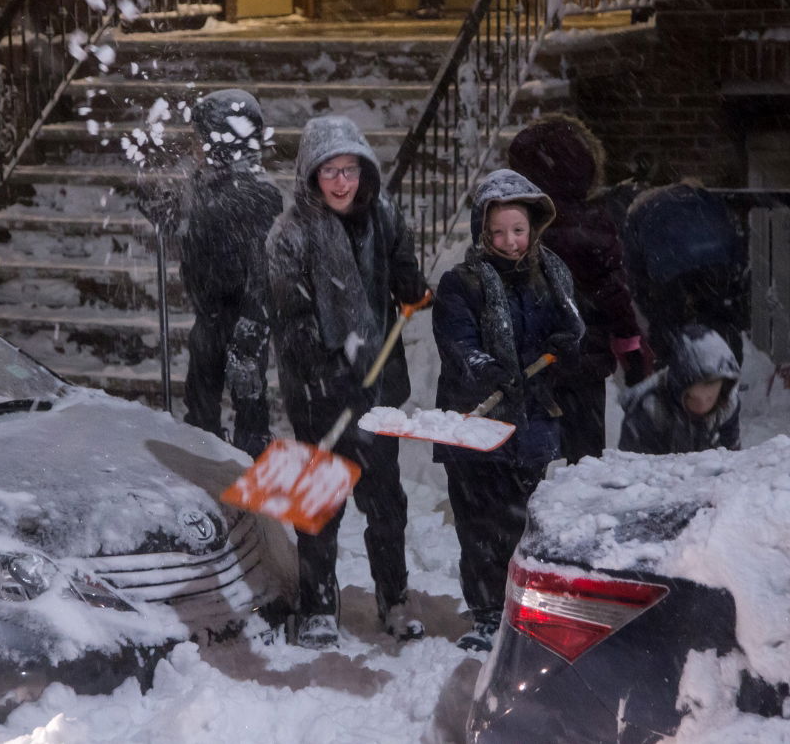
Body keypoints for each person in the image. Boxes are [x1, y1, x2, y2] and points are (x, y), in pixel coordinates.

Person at [265, 115, 431, 650]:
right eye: (330, 171)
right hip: (318, 392)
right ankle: (317, 605)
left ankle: (394, 596)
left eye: (351, 170)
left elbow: (402, 263)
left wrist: (409, 282)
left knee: (385, 501)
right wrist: (334, 374)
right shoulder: (289, 235)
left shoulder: (382, 216)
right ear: (310, 174)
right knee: (319, 501)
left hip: (378, 386)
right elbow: (291, 322)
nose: (342, 182)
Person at [432, 169, 584, 652]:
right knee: (479, 526)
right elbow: (458, 343)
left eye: (517, 230)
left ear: (533, 227)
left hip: (531, 424)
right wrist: (489, 370)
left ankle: (519, 610)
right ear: (482, 231)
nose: (509, 241)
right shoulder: (462, 283)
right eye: (497, 232)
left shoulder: (550, 278)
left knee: (520, 525)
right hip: (475, 425)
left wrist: (565, 347)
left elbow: (569, 330)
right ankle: (485, 615)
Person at [506, 114, 651, 463]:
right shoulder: (592, 223)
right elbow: (612, 290)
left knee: (529, 456)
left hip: (529, 361)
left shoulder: (513, 227)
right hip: (583, 358)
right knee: (584, 458)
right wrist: (629, 345)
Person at [176, 90, 283, 458]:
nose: (195, 146)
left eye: (201, 137)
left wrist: (252, 325)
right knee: (200, 396)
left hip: (242, 317)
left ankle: (251, 462)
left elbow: (263, 266)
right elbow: (196, 234)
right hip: (209, 312)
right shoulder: (204, 182)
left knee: (248, 399)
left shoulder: (256, 194)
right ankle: (205, 460)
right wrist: (170, 214)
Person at [623, 178, 749, 368]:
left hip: (669, 266)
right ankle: (726, 366)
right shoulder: (705, 199)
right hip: (716, 260)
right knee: (718, 316)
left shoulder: (638, 213)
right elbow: (734, 237)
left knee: (668, 325)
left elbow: (634, 269)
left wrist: (650, 307)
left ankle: (671, 368)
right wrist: (733, 279)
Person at [618, 324, 741, 455]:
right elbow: (634, 463)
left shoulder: (726, 407)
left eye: (710, 398)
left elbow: (732, 457)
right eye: (693, 399)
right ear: (680, 387)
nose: (702, 406)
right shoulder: (650, 410)